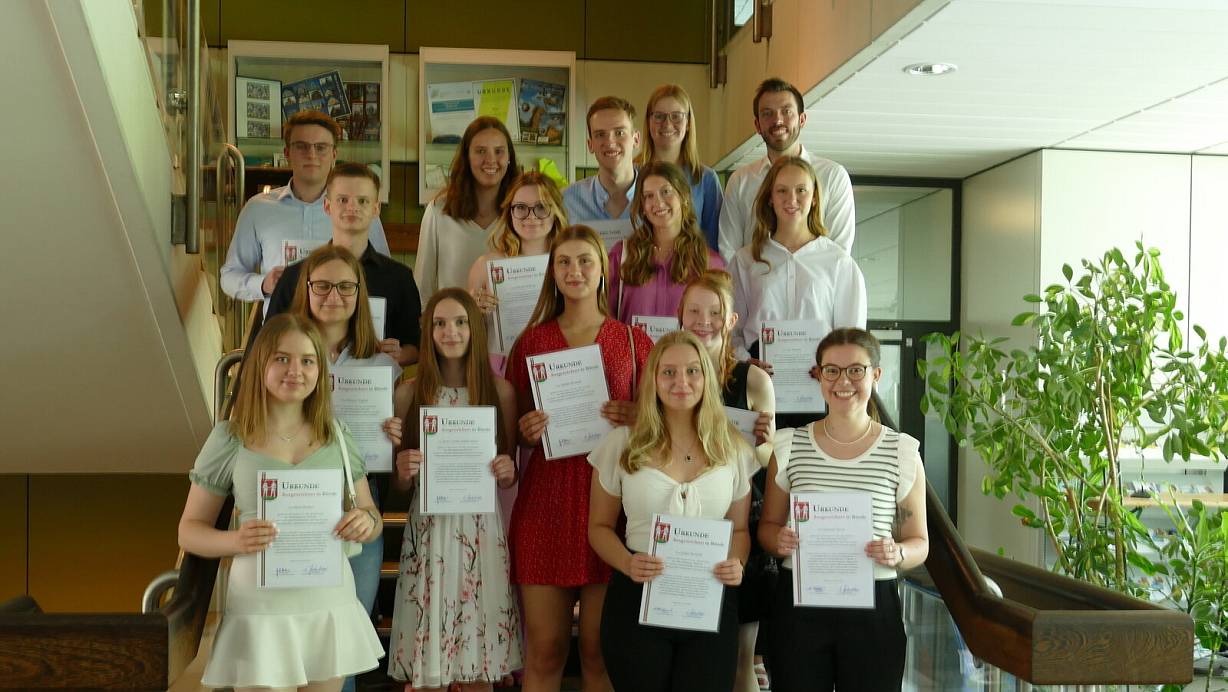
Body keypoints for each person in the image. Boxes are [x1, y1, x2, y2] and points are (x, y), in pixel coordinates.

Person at [177, 313, 385, 692]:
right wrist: (234, 541)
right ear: (261, 365)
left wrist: (365, 523)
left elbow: (371, 515)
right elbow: (189, 531)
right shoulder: (230, 437)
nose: (296, 370)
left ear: (320, 371)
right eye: (282, 358)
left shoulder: (337, 436)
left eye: (307, 360)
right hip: (260, 612)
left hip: (327, 606)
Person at [505, 225, 654, 692]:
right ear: (552, 272)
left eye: (584, 260)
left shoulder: (633, 341)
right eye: (564, 262)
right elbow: (511, 429)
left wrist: (637, 416)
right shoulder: (531, 342)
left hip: (610, 507)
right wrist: (525, 431)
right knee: (546, 650)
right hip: (546, 505)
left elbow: (663, 428)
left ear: (603, 269)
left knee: (598, 651)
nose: (574, 271)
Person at [757, 328, 929, 692]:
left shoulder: (902, 451)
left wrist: (898, 552)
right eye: (831, 370)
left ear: (876, 375)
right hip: (800, 603)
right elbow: (767, 528)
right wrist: (779, 540)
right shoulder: (789, 446)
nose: (843, 381)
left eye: (856, 370)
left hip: (874, 605)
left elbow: (919, 542)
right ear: (819, 375)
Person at [587, 330, 754, 692]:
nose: (681, 381)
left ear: (706, 378)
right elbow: (598, 527)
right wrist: (627, 563)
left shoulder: (734, 448)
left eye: (693, 371)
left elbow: (739, 531)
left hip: (708, 597)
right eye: (669, 372)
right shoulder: (621, 443)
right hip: (638, 594)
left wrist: (736, 563)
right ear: (653, 379)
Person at [386, 288, 522, 692]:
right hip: (429, 531)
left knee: (478, 661)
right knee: (427, 666)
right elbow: (399, 483)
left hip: (480, 529)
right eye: (440, 323)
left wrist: (506, 469)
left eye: (461, 322)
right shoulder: (409, 393)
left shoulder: (501, 393)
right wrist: (404, 468)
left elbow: (509, 475)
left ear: (475, 329)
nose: (451, 332)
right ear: (428, 331)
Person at [289, 244, 405, 692]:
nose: (333, 296)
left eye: (345, 286)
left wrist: (392, 437)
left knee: (347, 647)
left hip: (358, 508)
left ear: (359, 294)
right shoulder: (285, 353)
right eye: (322, 285)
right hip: (297, 510)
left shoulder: (383, 366)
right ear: (306, 289)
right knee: (295, 644)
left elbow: (393, 473)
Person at [677, 270, 776, 692]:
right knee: (688, 657)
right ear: (679, 316)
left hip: (741, 530)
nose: (704, 320)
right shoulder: (665, 375)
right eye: (694, 311)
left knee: (740, 659)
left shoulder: (753, 379)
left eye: (715, 312)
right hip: (684, 524)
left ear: (732, 320)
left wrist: (763, 443)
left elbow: (767, 465)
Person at [256, 162, 421, 366]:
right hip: (305, 388)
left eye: (363, 201)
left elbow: (416, 346)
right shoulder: (295, 275)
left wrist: (399, 354)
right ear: (327, 206)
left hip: (370, 392)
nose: (352, 207)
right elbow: (268, 340)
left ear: (376, 209)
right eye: (343, 200)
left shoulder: (399, 278)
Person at [220, 110, 392, 304]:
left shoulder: (358, 211)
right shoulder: (257, 209)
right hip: (282, 329)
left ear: (334, 154)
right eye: (301, 146)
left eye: (321, 147)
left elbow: (382, 276)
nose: (311, 154)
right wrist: (263, 284)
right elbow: (229, 277)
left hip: (343, 328)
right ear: (287, 153)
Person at [728, 156, 866, 389]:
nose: (791, 199)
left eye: (801, 190)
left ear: (814, 199)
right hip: (757, 383)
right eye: (782, 190)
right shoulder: (744, 260)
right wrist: (745, 362)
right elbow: (730, 330)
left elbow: (852, 336)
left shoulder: (839, 262)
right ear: (770, 198)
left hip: (820, 385)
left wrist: (834, 369)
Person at [717, 78, 855, 262]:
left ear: (802, 119)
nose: (778, 120)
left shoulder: (833, 176)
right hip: (754, 290)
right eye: (767, 114)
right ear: (757, 125)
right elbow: (729, 252)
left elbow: (839, 255)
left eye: (786, 111)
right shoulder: (740, 180)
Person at [415, 116, 520, 299]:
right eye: (480, 151)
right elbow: (422, 290)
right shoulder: (439, 211)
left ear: (509, 157)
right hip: (452, 326)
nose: (491, 160)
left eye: (499, 151)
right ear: (467, 157)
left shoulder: (522, 213)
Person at [466, 171, 568, 358]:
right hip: (502, 369)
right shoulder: (487, 266)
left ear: (555, 212)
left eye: (541, 207)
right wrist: (472, 311)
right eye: (521, 207)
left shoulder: (569, 266)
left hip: (555, 367)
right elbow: (470, 338)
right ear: (509, 212)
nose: (531, 217)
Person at [608, 161, 724, 323]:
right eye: (649, 196)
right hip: (631, 349)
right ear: (642, 206)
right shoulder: (621, 256)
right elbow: (605, 318)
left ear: (683, 197)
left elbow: (716, 325)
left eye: (666, 192)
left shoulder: (709, 263)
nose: (658, 203)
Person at [639, 84, 723, 251]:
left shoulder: (705, 179)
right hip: (641, 272)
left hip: (692, 274)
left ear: (689, 123)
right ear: (648, 122)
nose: (667, 124)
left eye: (676, 116)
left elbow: (713, 243)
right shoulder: (633, 175)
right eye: (659, 116)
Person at [563, 97, 640, 243]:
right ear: (590, 145)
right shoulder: (567, 201)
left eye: (619, 133)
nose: (610, 142)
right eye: (600, 135)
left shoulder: (656, 199)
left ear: (636, 139)